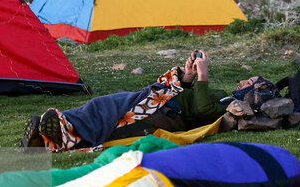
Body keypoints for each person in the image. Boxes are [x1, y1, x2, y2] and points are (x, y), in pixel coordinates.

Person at [21, 50, 230, 152]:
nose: (247, 80)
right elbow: (192, 99)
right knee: (100, 107)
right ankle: (51, 131)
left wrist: (203, 77)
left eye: (253, 82)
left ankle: (53, 134)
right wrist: (189, 76)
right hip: (161, 100)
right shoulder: (227, 96)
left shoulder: (232, 103)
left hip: (164, 113)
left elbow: (204, 110)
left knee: (108, 116)